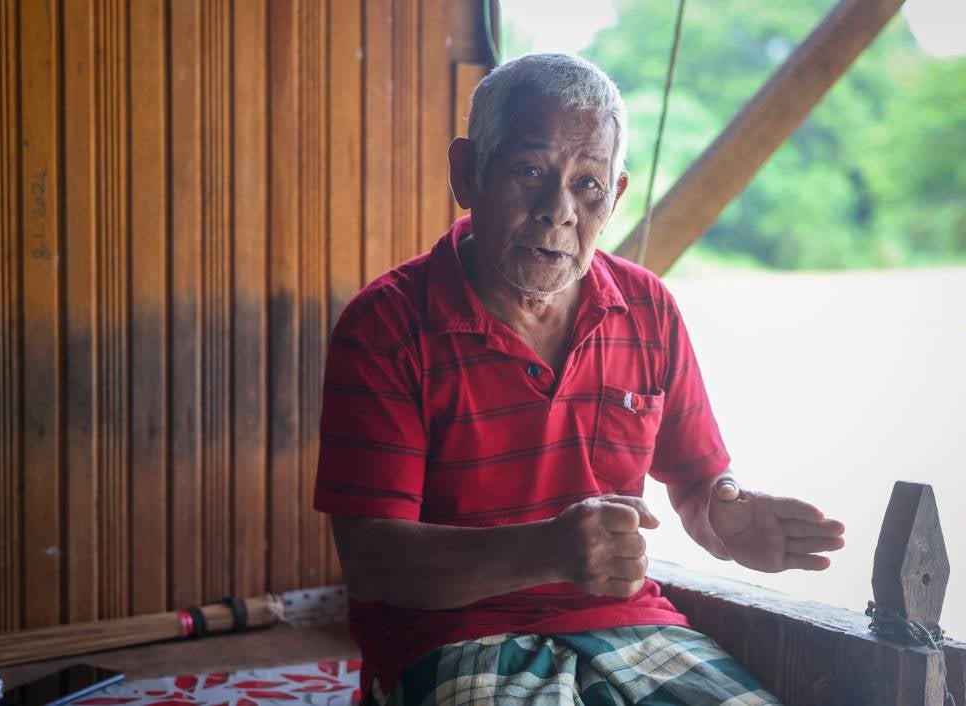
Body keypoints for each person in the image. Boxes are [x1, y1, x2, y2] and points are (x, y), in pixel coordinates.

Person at [314, 53, 844, 706]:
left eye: (588, 183)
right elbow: (371, 561)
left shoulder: (648, 307)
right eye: (529, 170)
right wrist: (549, 551)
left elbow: (703, 488)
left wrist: (729, 520)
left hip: (628, 625)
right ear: (466, 172)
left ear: (616, 195)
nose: (557, 210)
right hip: (448, 635)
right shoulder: (387, 324)